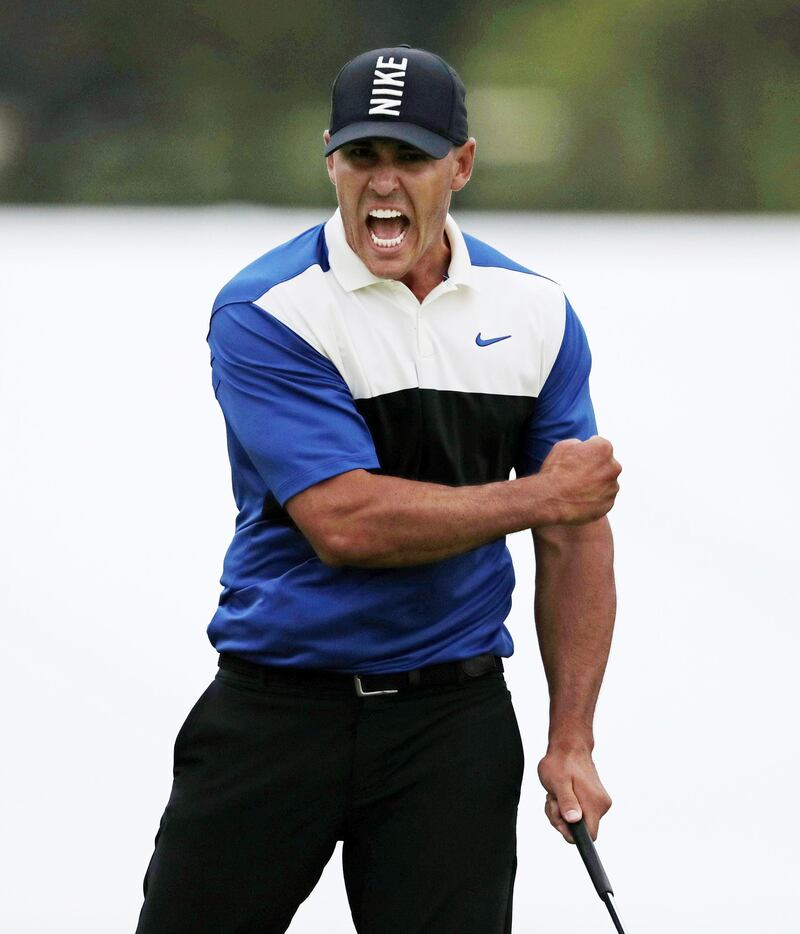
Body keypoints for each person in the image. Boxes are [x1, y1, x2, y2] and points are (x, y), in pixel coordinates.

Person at [135, 45, 621, 934]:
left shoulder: (536, 312)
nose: (383, 182)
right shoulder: (269, 310)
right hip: (275, 712)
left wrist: (573, 738)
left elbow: (578, 531)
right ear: (331, 159)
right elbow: (347, 522)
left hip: (452, 723)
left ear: (461, 165)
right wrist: (540, 498)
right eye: (363, 157)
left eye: (411, 158)